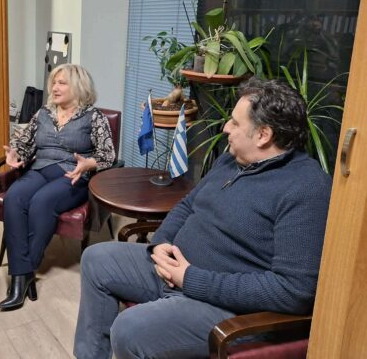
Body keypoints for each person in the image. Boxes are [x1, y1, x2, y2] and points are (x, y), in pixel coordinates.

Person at [73, 78, 332, 359]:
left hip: (224, 306)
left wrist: (190, 278)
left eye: (235, 123)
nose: (226, 128)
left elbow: (292, 291)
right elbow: (188, 205)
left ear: (263, 135)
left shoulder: (307, 188)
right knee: (96, 259)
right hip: (175, 270)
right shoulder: (231, 160)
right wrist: (162, 242)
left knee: (129, 330)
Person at [0, 64, 116, 311]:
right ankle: (23, 275)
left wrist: (89, 164)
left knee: (42, 202)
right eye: (54, 82)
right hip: (40, 169)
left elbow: (108, 155)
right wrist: (15, 153)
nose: (55, 87)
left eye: (62, 82)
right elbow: (24, 144)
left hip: (72, 174)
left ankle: (22, 275)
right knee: (14, 197)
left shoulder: (94, 117)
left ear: (78, 86)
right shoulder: (44, 113)